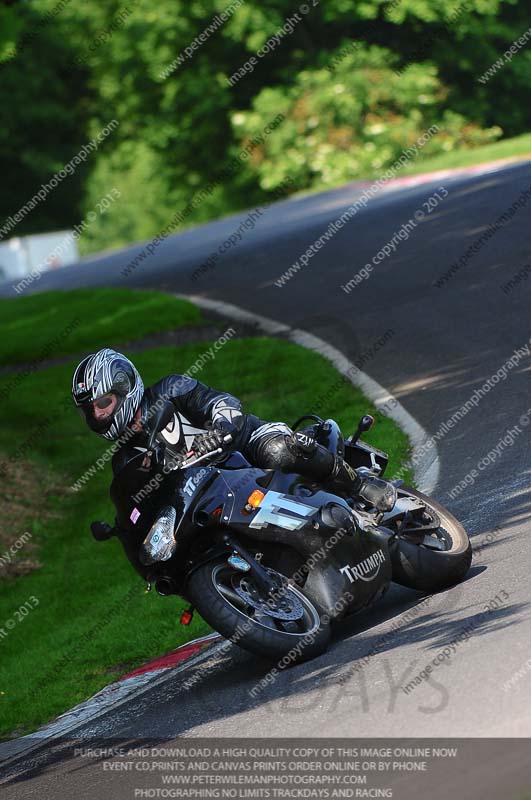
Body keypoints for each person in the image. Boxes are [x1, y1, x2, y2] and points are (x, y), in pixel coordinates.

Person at [72, 347, 362, 547]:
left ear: (124, 387)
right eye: (90, 411)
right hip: (214, 498)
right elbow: (139, 508)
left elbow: (223, 403)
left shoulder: (170, 390)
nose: (98, 415)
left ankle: (358, 488)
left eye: (102, 404)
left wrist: (219, 429)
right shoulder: (125, 460)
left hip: (246, 446)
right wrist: (129, 528)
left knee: (278, 451)